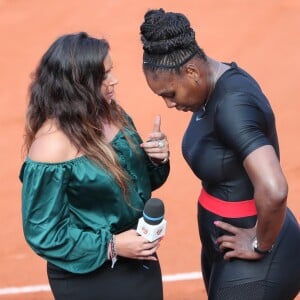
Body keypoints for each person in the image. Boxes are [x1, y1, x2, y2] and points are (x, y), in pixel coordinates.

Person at [140, 8, 300, 300]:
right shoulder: (213, 84)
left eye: (170, 94)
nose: (168, 104)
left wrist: (259, 244)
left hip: (256, 259)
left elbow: (275, 189)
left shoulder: (232, 105)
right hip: (224, 244)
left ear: (190, 72)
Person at [19, 32, 170, 300]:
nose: (114, 81)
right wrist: (112, 246)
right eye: (103, 77)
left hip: (138, 257)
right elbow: (43, 233)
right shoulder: (51, 146)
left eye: (111, 71)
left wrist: (155, 159)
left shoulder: (113, 113)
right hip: (89, 274)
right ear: (77, 85)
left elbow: (133, 186)